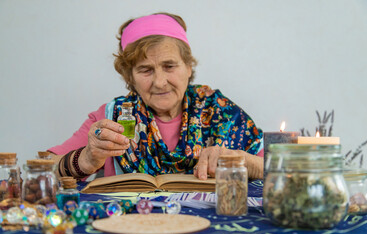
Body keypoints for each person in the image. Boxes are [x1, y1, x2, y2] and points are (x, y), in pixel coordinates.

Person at [49, 12, 264, 181]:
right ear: (130, 77)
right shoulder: (112, 117)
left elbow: (284, 169)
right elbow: (42, 167)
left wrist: (245, 161)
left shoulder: (220, 111)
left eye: (169, 66)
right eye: (145, 70)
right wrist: (85, 159)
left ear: (188, 67)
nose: (160, 82)